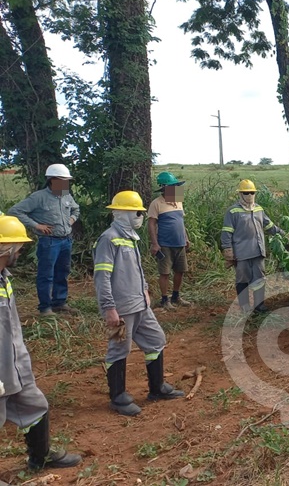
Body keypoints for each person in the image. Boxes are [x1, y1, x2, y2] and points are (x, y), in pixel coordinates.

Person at [0, 216, 82, 469]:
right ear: (5, 248)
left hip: (13, 362)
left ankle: (41, 456)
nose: (21, 252)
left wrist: (20, 359)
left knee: (36, 405)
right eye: (19, 247)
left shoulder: (4, 276)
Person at [94, 191, 185, 416]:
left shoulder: (130, 237)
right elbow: (102, 276)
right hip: (122, 307)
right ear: (123, 213)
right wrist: (109, 308)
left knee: (156, 340)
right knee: (118, 349)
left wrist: (145, 290)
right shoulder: (109, 238)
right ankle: (118, 397)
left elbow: (137, 269)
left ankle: (157, 388)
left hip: (140, 304)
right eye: (137, 212)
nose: (140, 216)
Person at [8, 164, 80, 316]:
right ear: (52, 180)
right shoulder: (38, 197)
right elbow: (15, 211)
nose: (65, 184)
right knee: (46, 274)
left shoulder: (66, 195)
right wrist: (36, 225)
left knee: (63, 271)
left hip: (66, 240)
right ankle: (45, 307)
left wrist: (72, 219)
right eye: (62, 180)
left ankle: (60, 302)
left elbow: (76, 209)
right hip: (49, 242)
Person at [221, 179, 289, 314]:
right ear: (240, 194)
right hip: (241, 253)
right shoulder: (233, 211)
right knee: (242, 279)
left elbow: (269, 226)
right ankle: (244, 306)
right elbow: (226, 232)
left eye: (252, 192)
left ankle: (259, 305)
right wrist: (228, 250)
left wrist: (284, 235)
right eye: (246, 193)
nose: (249, 195)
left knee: (260, 279)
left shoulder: (258, 209)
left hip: (258, 251)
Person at [147, 172, 192, 310]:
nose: (176, 189)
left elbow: (181, 221)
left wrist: (186, 238)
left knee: (180, 271)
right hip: (165, 243)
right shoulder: (156, 203)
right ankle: (165, 299)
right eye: (174, 186)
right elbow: (151, 224)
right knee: (165, 272)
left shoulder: (178, 200)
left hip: (180, 243)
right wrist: (155, 243)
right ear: (165, 188)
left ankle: (176, 296)